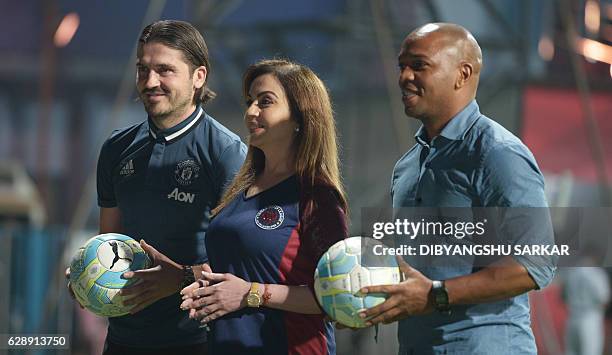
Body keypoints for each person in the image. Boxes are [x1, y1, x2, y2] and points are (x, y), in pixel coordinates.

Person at [358, 23, 556, 354]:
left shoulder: (498, 154)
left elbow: (536, 264)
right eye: (402, 66)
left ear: (462, 74)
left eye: (419, 65)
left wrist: (436, 293)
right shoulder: (407, 166)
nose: (404, 76)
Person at [67, 20, 246, 354]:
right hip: (122, 341)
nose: (150, 82)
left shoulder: (226, 153)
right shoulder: (115, 149)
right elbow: (110, 242)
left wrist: (180, 277)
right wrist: (87, 274)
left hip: (197, 341)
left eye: (165, 70)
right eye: (142, 70)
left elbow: (245, 266)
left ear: (199, 77)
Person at [179, 59, 349, 355]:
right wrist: (207, 288)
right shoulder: (240, 191)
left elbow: (340, 298)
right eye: (249, 102)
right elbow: (240, 271)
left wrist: (251, 294)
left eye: (265, 102)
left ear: (300, 117)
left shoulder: (317, 195)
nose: (250, 112)